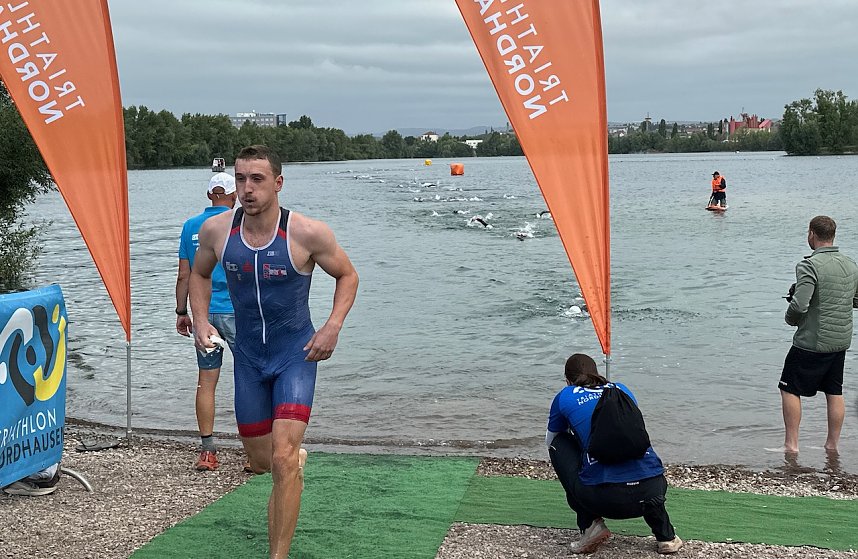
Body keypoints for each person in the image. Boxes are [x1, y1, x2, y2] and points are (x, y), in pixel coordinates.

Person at [189, 145, 358, 558]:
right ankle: (292, 458)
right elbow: (198, 274)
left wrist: (332, 326)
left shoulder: (307, 233)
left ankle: (277, 555)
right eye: (241, 179)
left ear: (278, 183)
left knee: (282, 460)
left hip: (294, 355)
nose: (247, 189)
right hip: (248, 360)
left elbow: (348, 275)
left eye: (257, 179)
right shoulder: (217, 232)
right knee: (263, 462)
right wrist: (200, 320)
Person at [546, 354, 683, 554]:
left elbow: (551, 438)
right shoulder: (621, 389)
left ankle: (589, 525)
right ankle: (666, 536)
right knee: (634, 451)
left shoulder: (566, 395)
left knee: (558, 443)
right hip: (654, 491)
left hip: (605, 500)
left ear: (567, 380)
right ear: (596, 373)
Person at [779, 216, 858, 454]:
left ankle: (791, 445)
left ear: (812, 234)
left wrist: (791, 319)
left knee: (789, 387)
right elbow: (855, 301)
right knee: (834, 391)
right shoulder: (850, 264)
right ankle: (832, 446)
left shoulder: (809, 266)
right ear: (833, 235)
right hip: (840, 341)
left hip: (812, 341)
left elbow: (800, 305)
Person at [176, 172, 239, 471]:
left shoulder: (191, 226)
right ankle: (254, 453)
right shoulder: (239, 223)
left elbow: (184, 275)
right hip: (237, 312)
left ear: (208, 195)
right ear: (234, 195)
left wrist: (181, 312)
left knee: (206, 382)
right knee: (249, 379)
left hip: (204, 315)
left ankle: (208, 451)